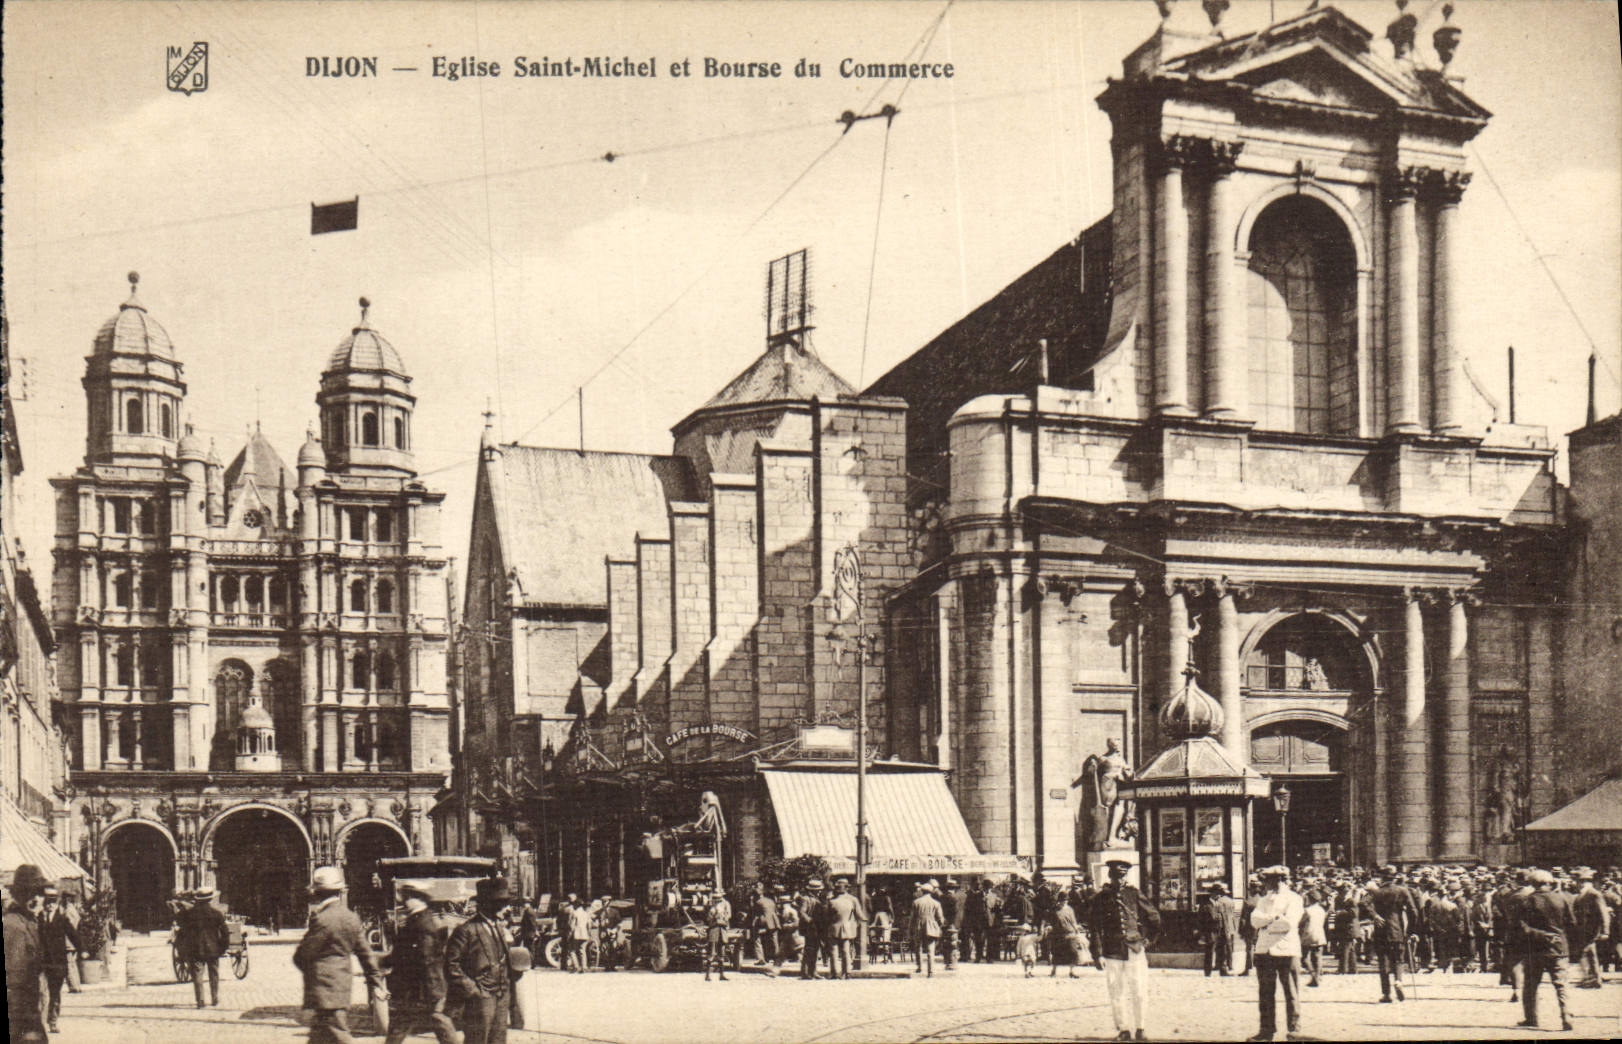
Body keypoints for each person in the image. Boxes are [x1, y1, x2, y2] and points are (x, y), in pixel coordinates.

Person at [294, 866, 388, 1044]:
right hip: (341, 989)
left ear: (317, 893)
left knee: (338, 1036)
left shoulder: (322, 919)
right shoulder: (351, 917)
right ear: (340, 891)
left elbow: (302, 955)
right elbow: (365, 954)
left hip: (324, 993)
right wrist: (376, 982)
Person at [1090, 858, 1158, 1043]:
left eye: (1122, 876)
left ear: (1126, 876)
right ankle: (1123, 1029)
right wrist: (1097, 953)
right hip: (1112, 951)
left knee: (1139, 990)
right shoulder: (1100, 898)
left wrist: (1147, 940)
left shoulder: (1133, 894)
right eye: (1115, 876)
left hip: (1135, 948)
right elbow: (1094, 927)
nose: (1119, 880)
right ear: (1110, 876)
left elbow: (1154, 917)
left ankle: (1141, 1028)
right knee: (1116, 991)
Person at [446, 876, 516, 1044]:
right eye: (501, 903)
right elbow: (451, 966)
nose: (506, 909)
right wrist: (473, 991)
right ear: (487, 904)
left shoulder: (500, 928)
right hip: (480, 1000)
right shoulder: (466, 930)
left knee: (498, 1041)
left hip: (501, 997)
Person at [383, 883, 454, 1044]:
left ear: (420, 899)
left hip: (422, 986)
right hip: (421, 986)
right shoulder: (417, 919)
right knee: (409, 1022)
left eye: (409, 897)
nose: (405, 901)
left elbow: (425, 956)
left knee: (433, 1020)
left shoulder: (423, 923)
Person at [1248, 865, 1303, 1042]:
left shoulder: (1294, 899)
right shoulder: (1263, 900)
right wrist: (1274, 918)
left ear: (1281, 880)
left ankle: (1294, 1029)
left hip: (1287, 950)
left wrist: (1266, 923)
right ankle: (1266, 1030)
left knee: (1291, 991)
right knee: (1265, 993)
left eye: (1272, 880)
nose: (1269, 884)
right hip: (1265, 951)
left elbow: (1289, 923)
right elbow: (1254, 921)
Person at [1516, 868, 1575, 1031]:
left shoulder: (1528, 901)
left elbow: (1522, 926)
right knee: (1561, 984)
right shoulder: (1562, 899)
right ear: (1549, 883)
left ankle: (1531, 1018)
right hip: (1559, 948)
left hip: (1536, 948)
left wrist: (1542, 935)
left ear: (1533, 883)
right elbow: (1571, 923)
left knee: (1531, 985)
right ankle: (1566, 1015)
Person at [5, 864, 49, 1044]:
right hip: (20, 1012)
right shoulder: (13, 926)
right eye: (33, 894)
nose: (38, 899)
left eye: (41, 894)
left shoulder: (29, 922)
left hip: (29, 1006)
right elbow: (15, 979)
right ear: (21, 895)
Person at [1367, 864, 1418, 1003]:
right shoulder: (1402, 890)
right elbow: (1413, 911)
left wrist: (1374, 915)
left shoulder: (1377, 892)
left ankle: (1386, 994)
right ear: (1395, 877)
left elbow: (1363, 903)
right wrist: (1410, 930)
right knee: (1399, 958)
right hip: (1397, 929)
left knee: (1383, 961)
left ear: (1382, 877)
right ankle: (1398, 981)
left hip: (1381, 930)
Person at [37, 885, 80, 1032]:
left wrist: (83, 949)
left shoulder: (62, 919)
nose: (49, 905)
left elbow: (73, 934)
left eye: (52, 902)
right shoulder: (38, 919)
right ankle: (41, 1023)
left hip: (58, 962)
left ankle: (53, 1021)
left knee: (55, 994)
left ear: (56, 903)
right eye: (47, 902)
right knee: (42, 993)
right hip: (42, 962)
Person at [180, 886, 228, 1010]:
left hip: (195, 949)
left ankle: (200, 1001)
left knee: (197, 975)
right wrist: (222, 948)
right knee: (214, 974)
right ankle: (215, 998)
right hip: (213, 949)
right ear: (210, 899)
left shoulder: (189, 914)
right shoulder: (216, 914)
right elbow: (225, 933)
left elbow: (183, 932)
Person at [1572, 867, 1610, 989]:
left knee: (1588, 953)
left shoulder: (1594, 894)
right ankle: (1593, 978)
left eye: (1578, 881)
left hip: (1592, 929)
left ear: (1584, 881)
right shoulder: (1580, 895)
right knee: (1588, 953)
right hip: (1582, 929)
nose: (1576, 883)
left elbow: (1604, 913)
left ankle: (1593, 979)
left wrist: (1605, 931)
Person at [827, 878, 864, 978]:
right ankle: (846, 972)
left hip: (833, 928)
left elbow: (827, 916)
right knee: (846, 951)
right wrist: (857, 924)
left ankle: (834, 973)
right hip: (847, 928)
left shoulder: (831, 901)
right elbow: (860, 915)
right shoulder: (853, 900)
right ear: (847, 888)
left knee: (833, 952)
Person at [910, 880, 945, 978]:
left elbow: (912, 917)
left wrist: (910, 929)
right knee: (931, 950)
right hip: (931, 927)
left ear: (922, 891)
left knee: (918, 948)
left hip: (919, 926)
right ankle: (931, 971)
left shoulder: (916, 902)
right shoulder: (936, 903)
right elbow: (940, 918)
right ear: (931, 892)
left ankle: (920, 967)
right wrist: (940, 926)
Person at [1049, 896, 1085, 978]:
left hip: (1070, 933)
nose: (1064, 902)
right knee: (1056, 953)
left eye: (1065, 900)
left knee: (1073, 952)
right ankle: (1054, 970)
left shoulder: (1070, 910)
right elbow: (1051, 921)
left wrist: (1077, 930)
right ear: (1059, 901)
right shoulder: (1055, 910)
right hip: (1058, 934)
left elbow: (1073, 921)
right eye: (1062, 900)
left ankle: (1072, 971)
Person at [702, 886, 732, 982]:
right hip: (713, 929)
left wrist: (723, 917)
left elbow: (729, 915)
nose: (717, 899)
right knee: (711, 952)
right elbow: (708, 917)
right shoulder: (710, 904)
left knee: (721, 952)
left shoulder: (726, 904)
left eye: (719, 897)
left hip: (722, 929)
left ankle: (722, 974)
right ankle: (707, 975)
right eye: (715, 897)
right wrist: (714, 914)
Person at [750, 881, 779, 975]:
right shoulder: (771, 901)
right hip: (773, 922)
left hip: (763, 923)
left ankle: (760, 959)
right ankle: (777, 957)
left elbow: (754, 913)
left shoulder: (758, 902)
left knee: (756, 939)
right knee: (773, 940)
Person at [1300, 887, 1328, 988]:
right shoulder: (1321, 910)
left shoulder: (1307, 910)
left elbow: (1300, 922)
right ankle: (1317, 976)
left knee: (1304, 957)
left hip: (1308, 934)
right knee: (1318, 957)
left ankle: (1313, 976)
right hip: (1320, 934)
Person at [798, 879, 825, 980]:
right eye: (817, 889)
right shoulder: (806, 899)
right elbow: (802, 912)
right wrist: (809, 920)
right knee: (809, 950)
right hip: (810, 928)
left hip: (817, 927)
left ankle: (813, 971)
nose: (819, 891)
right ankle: (805, 972)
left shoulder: (817, 899)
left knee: (815, 950)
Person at [565, 894, 593, 974]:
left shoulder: (574, 913)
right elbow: (589, 925)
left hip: (576, 935)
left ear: (576, 905)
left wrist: (569, 935)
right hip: (585, 934)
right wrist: (589, 934)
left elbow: (571, 926)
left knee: (572, 951)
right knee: (582, 951)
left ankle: (576, 967)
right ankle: (584, 967)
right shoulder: (586, 913)